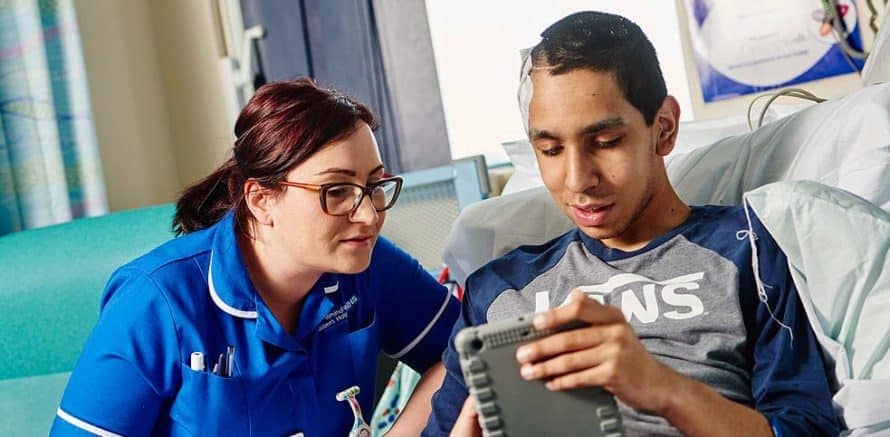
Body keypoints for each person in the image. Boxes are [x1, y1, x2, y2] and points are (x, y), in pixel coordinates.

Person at [425, 11, 838, 437]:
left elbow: (804, 429)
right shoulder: (497, 289)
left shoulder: (748, 250)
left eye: (605, 143)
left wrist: (662, 387)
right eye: (549, 150)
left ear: (663, 128)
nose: (577, 180)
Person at [51, 78, 460, 436]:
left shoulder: (369, 266)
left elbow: (463, 351)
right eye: (336, 191)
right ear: (262, 200)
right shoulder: (155, 302)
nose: (369, 214)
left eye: (374, 185)